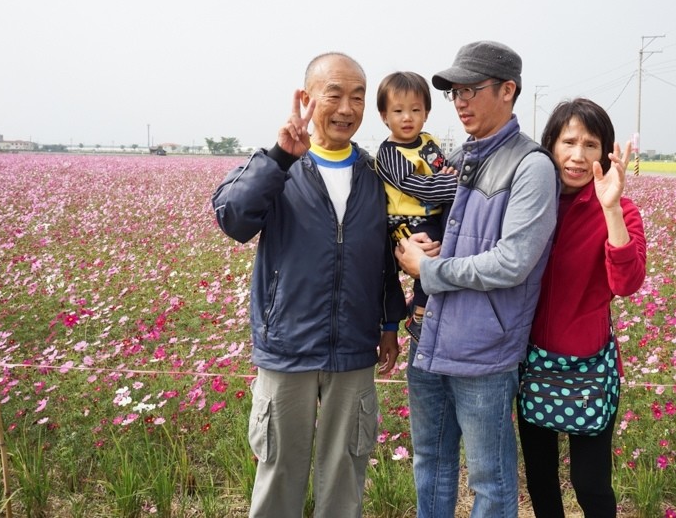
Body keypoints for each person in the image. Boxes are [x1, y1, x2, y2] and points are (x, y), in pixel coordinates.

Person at [211, 52, 407, 518]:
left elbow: (384, 258)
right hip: (288, 346)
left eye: (358, 97)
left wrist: (388, 325)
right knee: (279, 472)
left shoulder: (375, 175)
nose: (346, 109)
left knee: (345, 475)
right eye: (334, 95)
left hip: (354, 350)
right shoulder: (279, 168)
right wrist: (280, 156)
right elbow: (234, 219)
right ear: (307, 98)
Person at [395, 40, 558, 518]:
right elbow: (453, 234)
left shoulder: (531, 166)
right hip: (429, 338)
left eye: (470, 90)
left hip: (484, 351)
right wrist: (424, 245)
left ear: (508, 90)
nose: (459, 101)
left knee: (490, 478)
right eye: (454, 92)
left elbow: (512, 262)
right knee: (430, 462)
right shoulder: (460, 157)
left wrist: (429, 269)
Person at [517, 98, 647, 518]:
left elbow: (627, 283)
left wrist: (610, 209)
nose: (577, 156)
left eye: (590, 144)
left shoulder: (621, 210)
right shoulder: (529, 203)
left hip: (588, 366)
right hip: (531, 361)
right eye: (568, 142)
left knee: (590, 483)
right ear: (549, 145)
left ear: (605, 153)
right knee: (540, 477)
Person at [374, 71, 458, 341]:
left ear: (426, 113)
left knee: (448, 252)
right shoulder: (389, 153)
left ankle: (419, 306)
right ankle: (419, 315)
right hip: (402, 221)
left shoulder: (428, 142)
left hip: (430, 216)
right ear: (384, 116)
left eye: (415, 110)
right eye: (398, 111)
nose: (407, 117)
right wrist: (455, 186)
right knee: (429, 258)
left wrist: (446, 176)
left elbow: (442, 168)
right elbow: (415, 185)